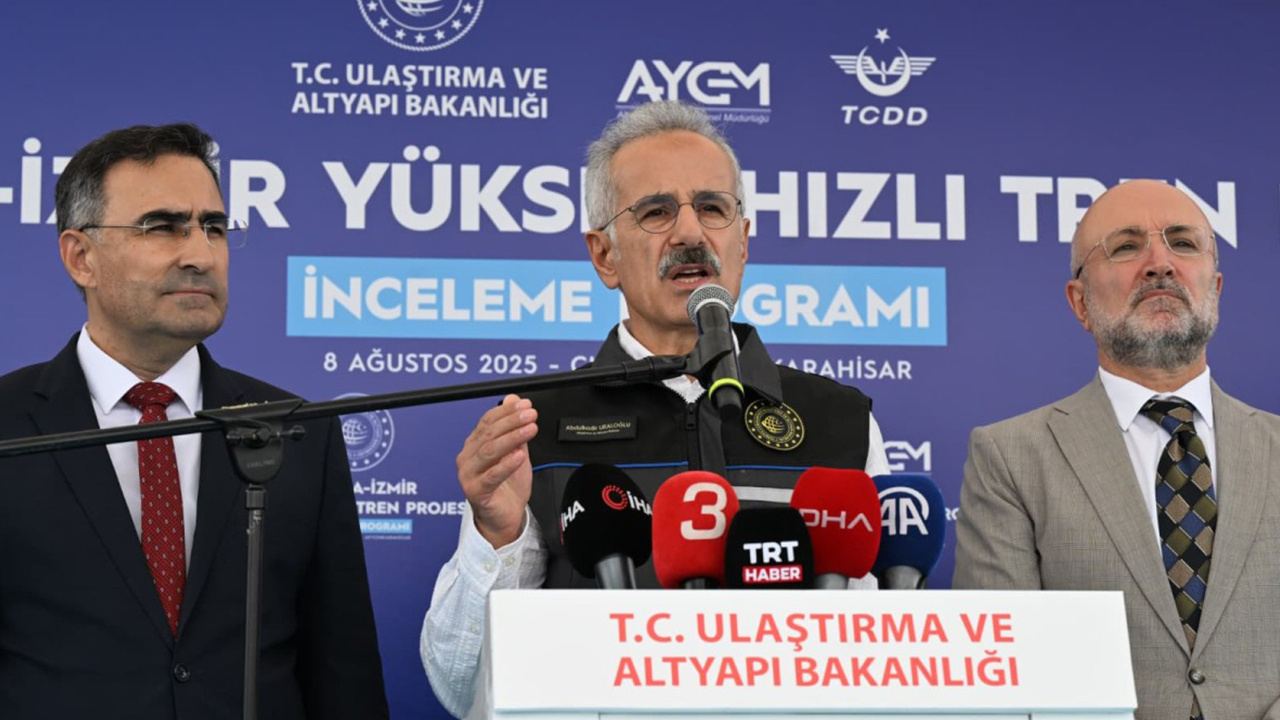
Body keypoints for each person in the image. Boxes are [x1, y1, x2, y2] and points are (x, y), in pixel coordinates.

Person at [421, 100, 891, 717]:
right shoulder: (537, 426)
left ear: (744, 241)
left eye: (713, 208)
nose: (691, 233)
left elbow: (890, 665)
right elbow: (462, 688)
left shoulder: (841, 421)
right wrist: (497, 536)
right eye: (656, 211)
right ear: (604, 256)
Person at [0, 124, 388, 720]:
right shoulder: (9, 423)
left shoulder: (299, 431)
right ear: (81, 257)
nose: (200, 255)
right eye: (162, 227)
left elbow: (344, 674)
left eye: (214, 227)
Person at [953, 179, 1280, 720]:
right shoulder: (1009, 459)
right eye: (1126, 247)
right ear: (1079, 302)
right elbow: (1004, 671)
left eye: (1183, 243)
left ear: (1216, 288)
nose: (1159, 264)